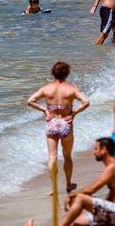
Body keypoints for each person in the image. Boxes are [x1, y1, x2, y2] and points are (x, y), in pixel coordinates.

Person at [26, 61, 91, 195]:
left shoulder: (46, 89)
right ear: (67, 74)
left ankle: (54, 187)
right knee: (67, 156)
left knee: (52, 157)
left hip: (52, 122)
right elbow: (86, 102)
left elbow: (30, 101)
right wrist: (74, 113)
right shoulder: (71, 89)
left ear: (52, 73)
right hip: (66, 123)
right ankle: (68, 184)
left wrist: (44, 110)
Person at [58, 137, 115, 226]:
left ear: (104, 150)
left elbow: (92, 189)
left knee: (80, 198)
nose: (94, 152)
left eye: (96, 149)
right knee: (75, 222)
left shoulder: (113, 166)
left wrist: (70, 195)